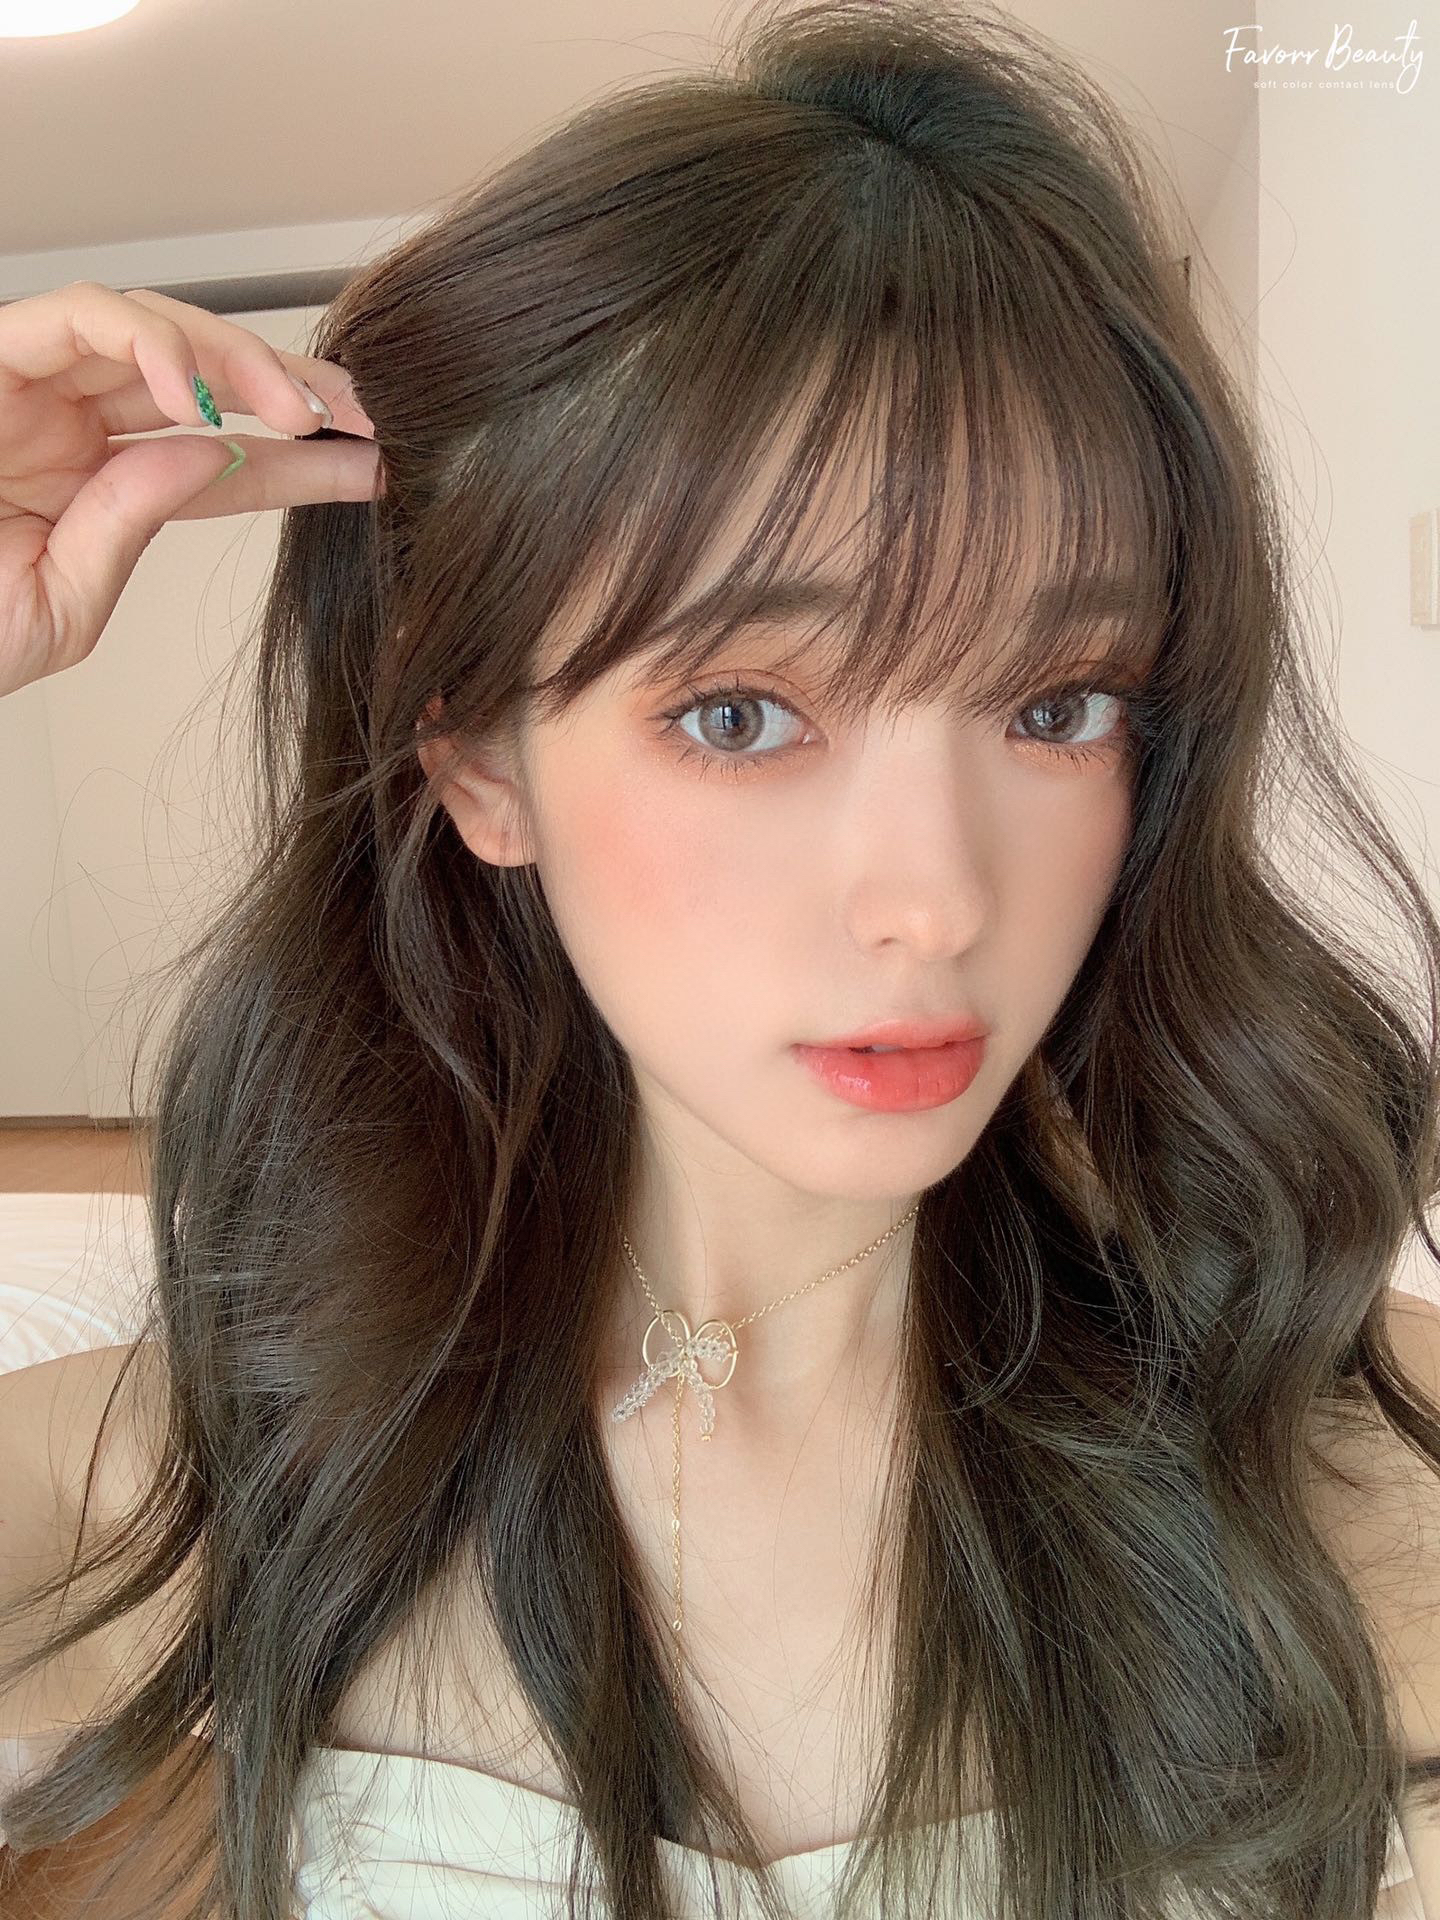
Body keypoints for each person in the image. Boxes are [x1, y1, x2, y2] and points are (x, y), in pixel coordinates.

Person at [2, 2, 1439, 1916]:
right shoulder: (220, 1475)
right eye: (744, 714)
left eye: (1059, 703)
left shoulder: (1347, 1468)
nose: (935, 901)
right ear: (480, 765)